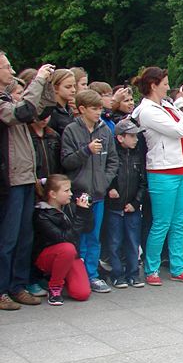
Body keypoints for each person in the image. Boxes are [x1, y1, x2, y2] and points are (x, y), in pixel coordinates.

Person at [131, 66, 183, 286]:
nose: (168, 87)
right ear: (154, 85)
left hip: (182, 168)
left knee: (178, 223)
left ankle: (178, 266)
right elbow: (179, 130)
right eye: (165, 84)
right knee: (162, 223)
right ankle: (151, 267)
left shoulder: (164, 105)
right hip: (162, 171)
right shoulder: (147, 110)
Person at [1, 54, 55, 310]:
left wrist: (47, 85)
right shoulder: (5, 104)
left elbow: (39, 111)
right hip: (8, 179)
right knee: (8, 238)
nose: (12, 70)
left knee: (24, 236)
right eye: (7, 66)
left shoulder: (13, 100)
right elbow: (20, 113)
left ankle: (18, 285)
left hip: (25, 177)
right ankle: (2, 288)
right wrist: (38, 80)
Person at [61, 89, 119, 293]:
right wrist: (85, 150)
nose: (98, 112)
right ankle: (78, 274)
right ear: (82, 109)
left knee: (94, 236)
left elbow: (113, 160)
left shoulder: (104, 130)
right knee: (80, 236)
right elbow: (66, 161)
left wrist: (104, 180)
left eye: (100, 108)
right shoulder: (71, 130)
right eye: (94, 109)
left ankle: (92, 274)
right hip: (79, 193)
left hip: (98, 193)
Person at [33, 175, 94, 305]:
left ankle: (63, 278)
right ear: (53, 194)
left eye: (70, 190)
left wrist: (85, 211)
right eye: (66, 191)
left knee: (82, 293)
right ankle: (55, 288)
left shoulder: (70, 207)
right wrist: (80, 216)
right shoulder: (41, 213)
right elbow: (65, 238)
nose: (70, 194)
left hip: (70, 256)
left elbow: (88, 229)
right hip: (48, 257)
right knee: (67, 248)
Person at [105, 119, 146, 288]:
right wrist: (110, 188)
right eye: (132, 136)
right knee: (114, 241)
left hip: (132, 206)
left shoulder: (138, 155)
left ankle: (133, 273)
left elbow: (143, 182)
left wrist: (136, 203)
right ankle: (117, 274)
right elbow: (107, 173)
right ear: (120, 138)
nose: (136, 139)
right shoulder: (112, 154)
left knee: (132, 241)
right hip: (114, 206)